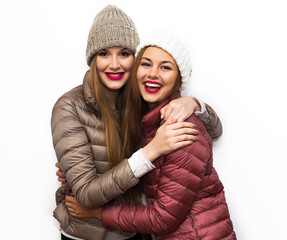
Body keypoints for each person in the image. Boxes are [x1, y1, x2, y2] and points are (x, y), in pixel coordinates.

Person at [52, 5, 223, 240]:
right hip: (87, 233)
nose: (114, 64)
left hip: (134, 231)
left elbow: (213, 130)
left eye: (124, 53)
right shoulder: (70, 106)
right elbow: (86, 194)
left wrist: (192, 103)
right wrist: (153, 150)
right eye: (103, 53)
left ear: (134, 58)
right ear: (92, 59)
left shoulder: (142, 99)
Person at [87, 33, 237, 239]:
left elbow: (163, 218)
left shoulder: (181, 131)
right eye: (146, 64)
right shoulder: (147, 121)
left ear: (178, 78)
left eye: (165, 67)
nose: (153, 74)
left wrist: (97, 214)